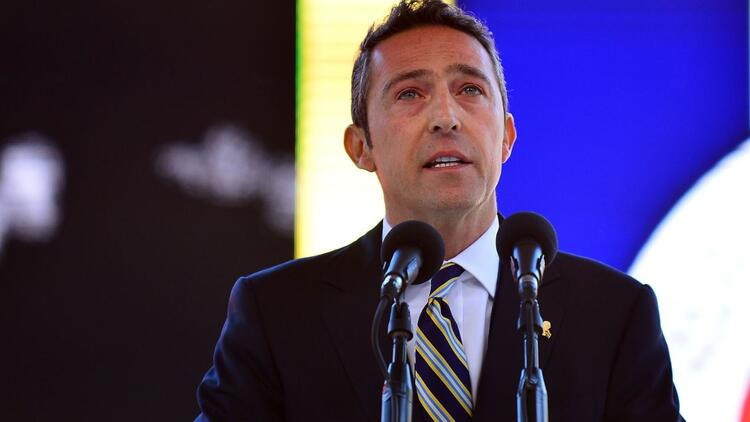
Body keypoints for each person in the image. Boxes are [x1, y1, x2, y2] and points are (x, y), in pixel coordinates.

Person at [195, 1, 682, 420]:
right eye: (410, 93)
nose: (446, 117)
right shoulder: (277, 313)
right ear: (361, 147)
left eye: (470, 90)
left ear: (507, 136)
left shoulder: (615, 314)